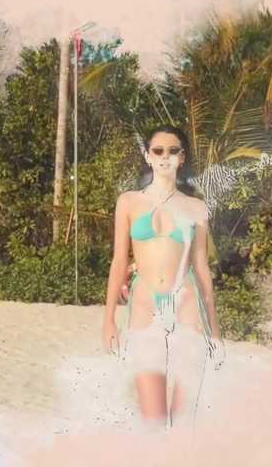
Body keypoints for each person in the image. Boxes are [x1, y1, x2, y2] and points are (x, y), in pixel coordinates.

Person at [102, 124, 225, 432]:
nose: (165, 157)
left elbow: (202, 268)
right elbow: (119, 261)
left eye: (173, 151)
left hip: (187, 305)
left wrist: (215, 331)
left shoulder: (196, 207)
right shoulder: (128, 201)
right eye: (158, 151)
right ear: (147, 156)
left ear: (182, 158)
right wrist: (109, 319)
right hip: (145, 306)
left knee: (184, 422)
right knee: (153, 421)